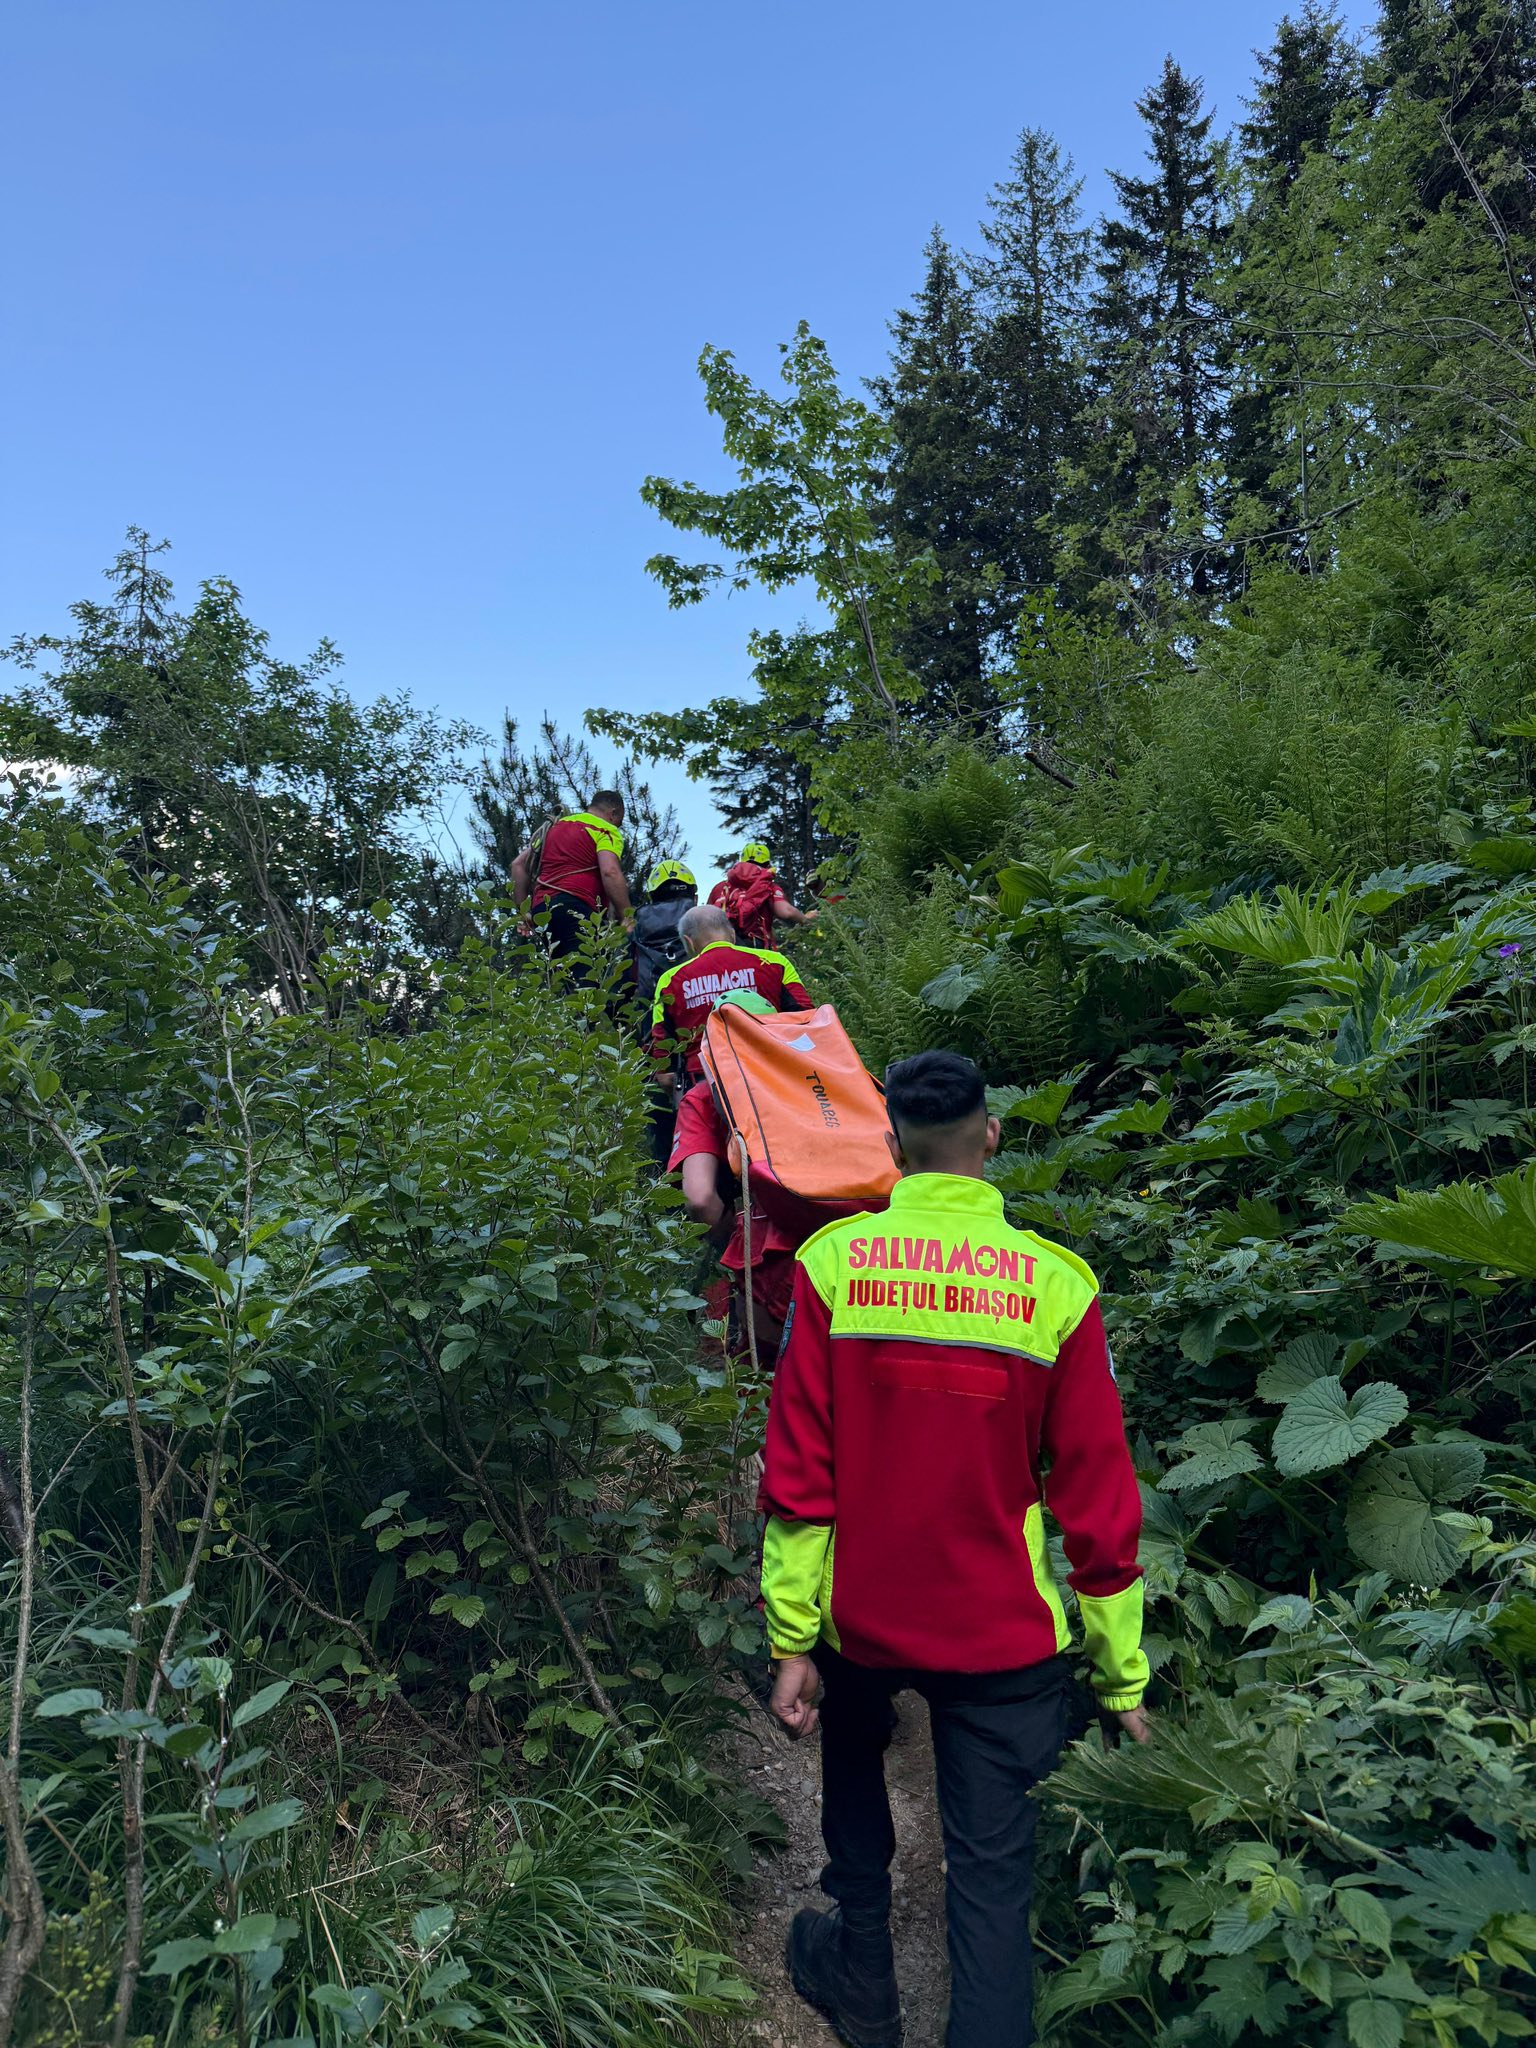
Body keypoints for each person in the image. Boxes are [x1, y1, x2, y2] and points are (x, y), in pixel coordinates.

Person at [759, 1049, 1150, 2048]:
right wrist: (1121, 1675)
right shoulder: (1058, 1288)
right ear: (992, 1136)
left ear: (891, 1145)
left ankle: (863, 1980)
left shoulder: (833, 1267)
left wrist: (793, 1639)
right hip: (1003, 1636)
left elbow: (801, 1470)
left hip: (862, 1616)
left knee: (854, 1760)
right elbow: (1098, 1497)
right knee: (992, 1876)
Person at [668, 990, 800, 1366]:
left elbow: (700, 1200)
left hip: (762, 1261)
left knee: (757, 1375)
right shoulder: (816, 1083)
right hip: (843, 1248)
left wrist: (733, 1240)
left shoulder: (704, 1098)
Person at [650, 904, 812, 1087]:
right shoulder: (775, 962)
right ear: (732, 935)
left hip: (705, 1082)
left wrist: (665, 1075)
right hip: (772, 1074)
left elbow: (662, 1041)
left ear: (688, 942)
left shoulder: (670, 980)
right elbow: (805, 1015)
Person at [510, 790, 631, 958]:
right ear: (613, 813)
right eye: (619, 822)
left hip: (542, 910)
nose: (617, 826)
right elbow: (610, 872)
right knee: (586, 969)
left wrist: (524, 914)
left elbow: (518, 866)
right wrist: (626, 917)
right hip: (575, 907)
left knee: (560, 969)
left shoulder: (554, 827)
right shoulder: (604, 829)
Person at [633, 860, 699, 1165]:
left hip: (652, 1034)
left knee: (660, 1112)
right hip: (702, 1033)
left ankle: (666, 1176)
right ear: (693, 894)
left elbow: (621, 986)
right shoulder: (706, 923)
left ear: (652, 895)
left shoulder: (635, 932)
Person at [709, 841, 817, 950]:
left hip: (720, 946)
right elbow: (786, 912)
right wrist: (806, 919)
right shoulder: (767, 885)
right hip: (754, 946)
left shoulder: (721, 887)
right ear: (767, 864)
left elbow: (705, 918)